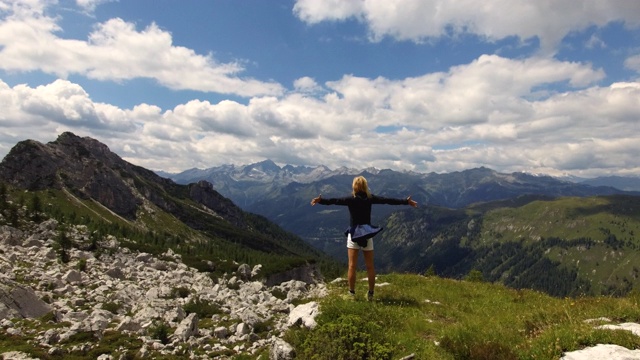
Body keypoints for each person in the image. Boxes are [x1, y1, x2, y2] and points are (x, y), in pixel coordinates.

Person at [311, 175, 418, 301]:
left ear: (354, 186)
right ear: (365, 186)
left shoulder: (350, 199)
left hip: (353, 235)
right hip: (367, 234)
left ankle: (351, 294)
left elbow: (335, 200)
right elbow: (387, 200)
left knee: (352, 266)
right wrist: (406, 201)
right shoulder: (369, 198)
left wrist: (321, 200)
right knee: (370, 266)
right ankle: (371, 294)